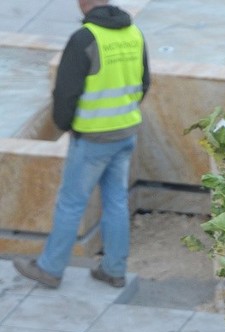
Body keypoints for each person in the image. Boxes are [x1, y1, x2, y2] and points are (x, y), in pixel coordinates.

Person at [13, 0, 150, 291]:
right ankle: (114, 270)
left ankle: (50, 269)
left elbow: (65, 94)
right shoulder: (133, 33)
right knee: (115, 201)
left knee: (71, 203)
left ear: (81, 3)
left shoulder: (85, 39)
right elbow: (144, 82)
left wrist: (66, 126)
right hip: (125, 132)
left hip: (92, 137)